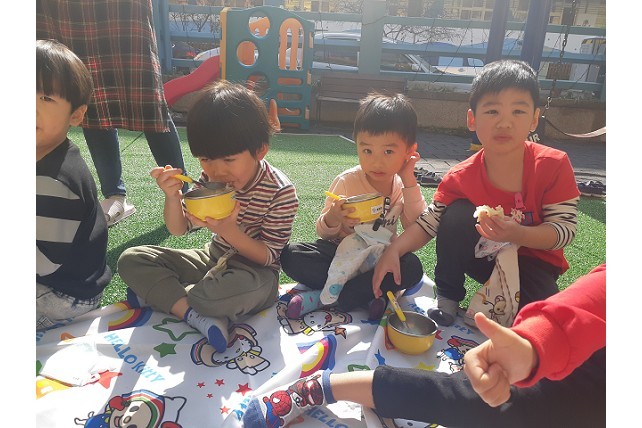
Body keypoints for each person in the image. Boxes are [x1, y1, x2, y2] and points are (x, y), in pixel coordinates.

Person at [240, 264, 605, 428]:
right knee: (478, 400)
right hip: (593, 366)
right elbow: (603, 290)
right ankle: (319, 387)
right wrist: (537, 341)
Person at [373, 59, 580, 327]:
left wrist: (518, 233)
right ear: (472, 119)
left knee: (541, 321)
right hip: (484, 258)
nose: (504, 122)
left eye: (518, 111)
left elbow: (564, 230)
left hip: (533, 263)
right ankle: (447, 298)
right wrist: (394, 249)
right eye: (492, 111)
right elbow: (429, 222)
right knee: (456, 214)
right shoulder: (461, 176)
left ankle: (505, 304)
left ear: (533, 119)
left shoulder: (552, 165)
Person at [117, 81, 299, 353]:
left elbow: (268, 257)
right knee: (132, 259)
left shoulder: (280, 191)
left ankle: (168, 296)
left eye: (228, 160)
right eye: (205, 159)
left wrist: (229, 231)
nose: (216, 172)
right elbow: (179, 228)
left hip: (254, 274)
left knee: (218, 295)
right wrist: (172, 196)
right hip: (213, 258)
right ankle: (193, 311)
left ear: (260, 150)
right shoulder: (210, 180)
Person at [36, 0, 188, 227]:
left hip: (120, 8)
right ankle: (114, 195)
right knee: (89, 96)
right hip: (62, 9)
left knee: (148, 100)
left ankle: (185, 194)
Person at [279, 93, 427, 320]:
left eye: (388, 151)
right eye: (367, 150)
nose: (376, 162)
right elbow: (323, 232)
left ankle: (324, 296)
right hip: (340, 255)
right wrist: (334, 218)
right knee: (291, 255)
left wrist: (409, 180)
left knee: (413, 267)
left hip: (379, 259)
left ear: (409, 151)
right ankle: (367, 295)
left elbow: (416, 224)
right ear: (357, 145)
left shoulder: (401, 186)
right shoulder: (347, 181)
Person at [36, 39, 112, 331]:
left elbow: (43, 263)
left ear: (76, 115)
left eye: (46, 98)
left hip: (64, 296)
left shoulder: (55, 180)